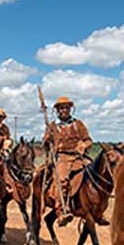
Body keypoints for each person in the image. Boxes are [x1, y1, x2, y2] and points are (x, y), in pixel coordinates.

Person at [41, 96, 95, 226]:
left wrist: (84, 145)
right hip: (62, 157)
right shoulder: (53, 126)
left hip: (78, 157)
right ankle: (61, 211)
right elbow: (45, 144)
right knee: (62, 179)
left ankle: (97, 209)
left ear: (70, 109)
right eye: (61, 108)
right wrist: (47, 140)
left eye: (66, 107)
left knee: (94, 174)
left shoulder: (78, 124)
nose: (64, 110)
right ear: (58, 110)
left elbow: (89, 140)